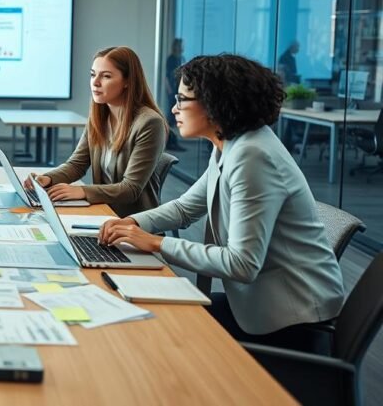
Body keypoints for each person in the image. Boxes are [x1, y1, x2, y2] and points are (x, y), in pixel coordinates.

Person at [99, 54, 344, 352]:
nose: (174, 108)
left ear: (216, 103)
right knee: (149, 318)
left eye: (182, 99)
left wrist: (154, 244)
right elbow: (185, 207)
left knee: (158, 330)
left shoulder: (252, 156)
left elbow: (242, 263)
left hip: (291, 320)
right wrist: (134, 223)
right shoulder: (231, 145)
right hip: (256, 301)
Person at [24, 46, 167, 217]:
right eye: (93, 75)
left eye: (106, 76)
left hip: (132, 223)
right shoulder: (99, 117)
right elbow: (76, 165)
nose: (96, 82)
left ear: (128, 81)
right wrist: (47, 178)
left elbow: (131, 188)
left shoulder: (150, 123)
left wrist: (82, 191)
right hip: (101, 213)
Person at [164, 38, 185, 152]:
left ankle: (171, 141)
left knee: (175, 118)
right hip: (173, 90)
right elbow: (167, 75)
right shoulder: (171, 59)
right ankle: (170, 141)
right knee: (171, 117)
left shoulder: (181, 58)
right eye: (180, 45)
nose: (182, 47)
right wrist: (169, 90)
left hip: (179, 90)